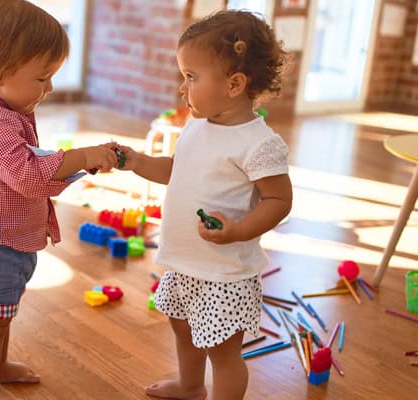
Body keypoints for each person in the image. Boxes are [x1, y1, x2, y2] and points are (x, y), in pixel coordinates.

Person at [0, 1, 118, 399]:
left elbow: (29, 164)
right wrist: (83, 156)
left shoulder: (4, 107)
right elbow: (27, 174)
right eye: (42, 78)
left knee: (0, 317)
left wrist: (78, 164)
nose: (50, 89)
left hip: (4, 239)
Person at [119, 10, 292, 400]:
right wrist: (137, 162)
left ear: (233, 84)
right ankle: (191, 386)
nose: (182, 88)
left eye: (191, 77)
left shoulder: (259, 143)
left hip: (225, 273)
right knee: (182, 327)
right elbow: (178, 170)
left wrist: (237, 230)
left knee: (223, 351)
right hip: (184, 261)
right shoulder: (197, 124)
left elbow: (279, 200)